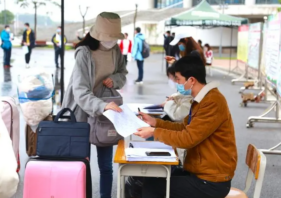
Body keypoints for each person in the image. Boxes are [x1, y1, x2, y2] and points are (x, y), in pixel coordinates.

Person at [135, 56, 237, 198]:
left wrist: (154, 132)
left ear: (191, 80)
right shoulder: (202, 99)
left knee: (153, 188)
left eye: (178, 79)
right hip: (200, 172)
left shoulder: (212, 101)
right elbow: (184, 128)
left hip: (211, 181)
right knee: (152, 178)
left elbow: (188, 138)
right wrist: (155, 122)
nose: (177, 83)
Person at [61, 12, 127, 198]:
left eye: (114, 37)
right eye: (109, 37)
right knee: (81, 163)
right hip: (82, 112)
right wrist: (102, 106)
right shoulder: (84, 54)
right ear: (98, 35)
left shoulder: (116, 51)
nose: (112, 41)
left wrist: (114, 79)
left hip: (106, 114)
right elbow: (80, 91)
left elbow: (122, 73)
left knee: (106, 166)